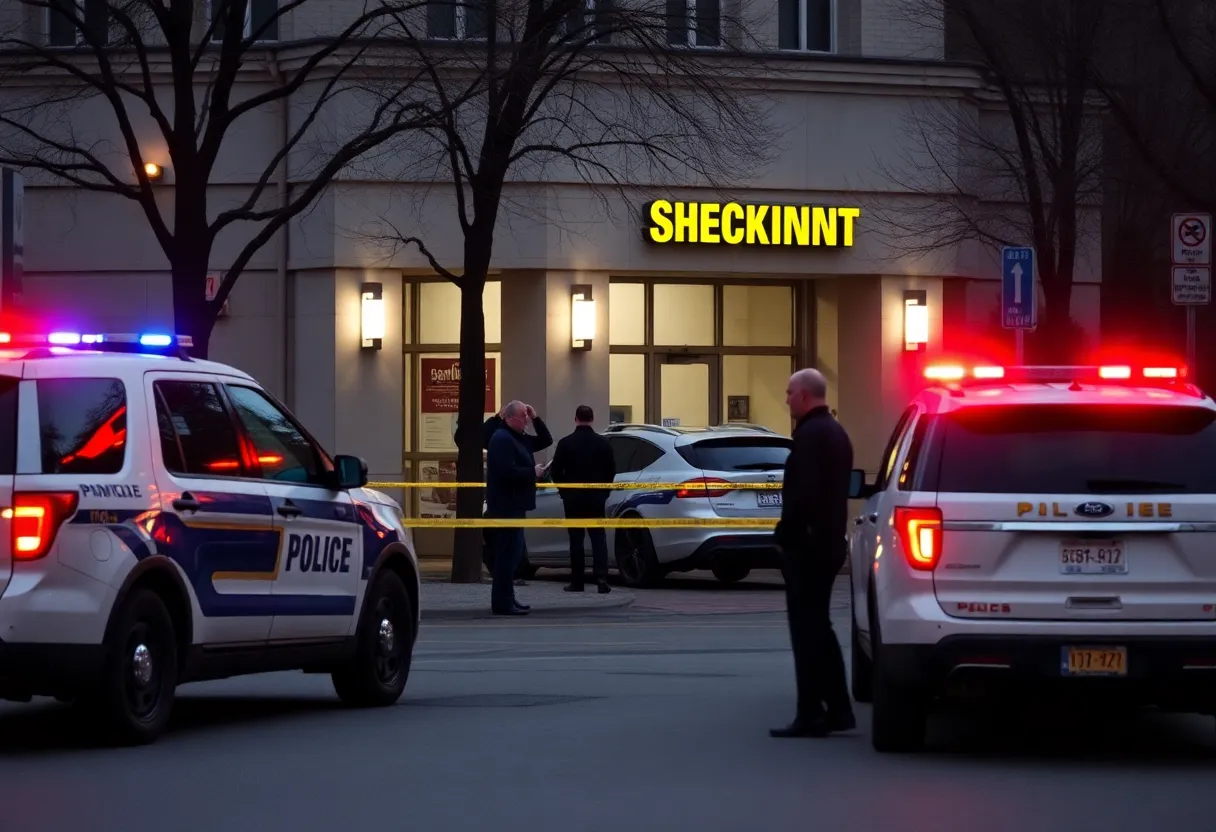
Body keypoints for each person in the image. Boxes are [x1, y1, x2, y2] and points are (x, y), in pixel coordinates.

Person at [770, 368, 856, 738]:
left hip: (808, 547)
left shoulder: (809, 437)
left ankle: (811, 713)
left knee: (805, 630)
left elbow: (801, 497)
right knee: (820, 627)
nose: (786, 398)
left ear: (805, 395)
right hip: (829, 543)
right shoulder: (836, 434)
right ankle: (838, 709)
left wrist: (784, 537)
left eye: (789, 392)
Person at [485, 401, 545, 616]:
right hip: (506, 505)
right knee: (506, 555)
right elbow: (506, 472)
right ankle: (502, 602)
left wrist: (536, 417)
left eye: (527, 416)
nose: (526, 420)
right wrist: (532, 472)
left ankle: (508, 598)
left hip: (515, 504)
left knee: (513, 554)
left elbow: (545, 440)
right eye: (523, 416)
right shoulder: (502, 439)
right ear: (509, 418)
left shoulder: (516, 437)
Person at [549, 405, 616, 594]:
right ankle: (601, 578)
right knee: (598, 538)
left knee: (576, 540)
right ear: (592, 419)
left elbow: (555, 471)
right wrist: (604, 492)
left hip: (574, 500)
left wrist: (564, 491)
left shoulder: (565, 443)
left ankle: (577, 581)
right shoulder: (603, 444)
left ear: (576, 418)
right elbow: (611, 470)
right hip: (596, 499)